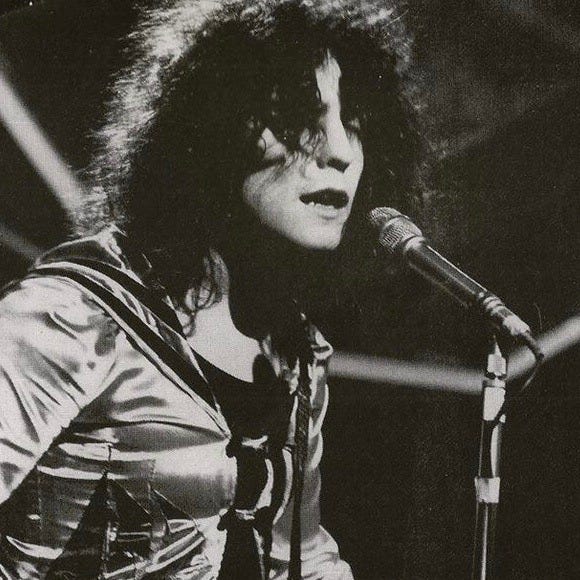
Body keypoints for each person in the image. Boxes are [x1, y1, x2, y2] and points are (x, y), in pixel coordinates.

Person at [0, 1, 425, 578]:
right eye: (299, 116)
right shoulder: (73, 314)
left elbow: (299, 558)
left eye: (354, 123)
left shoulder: (297, 355)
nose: (341, 152)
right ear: (215, 123)